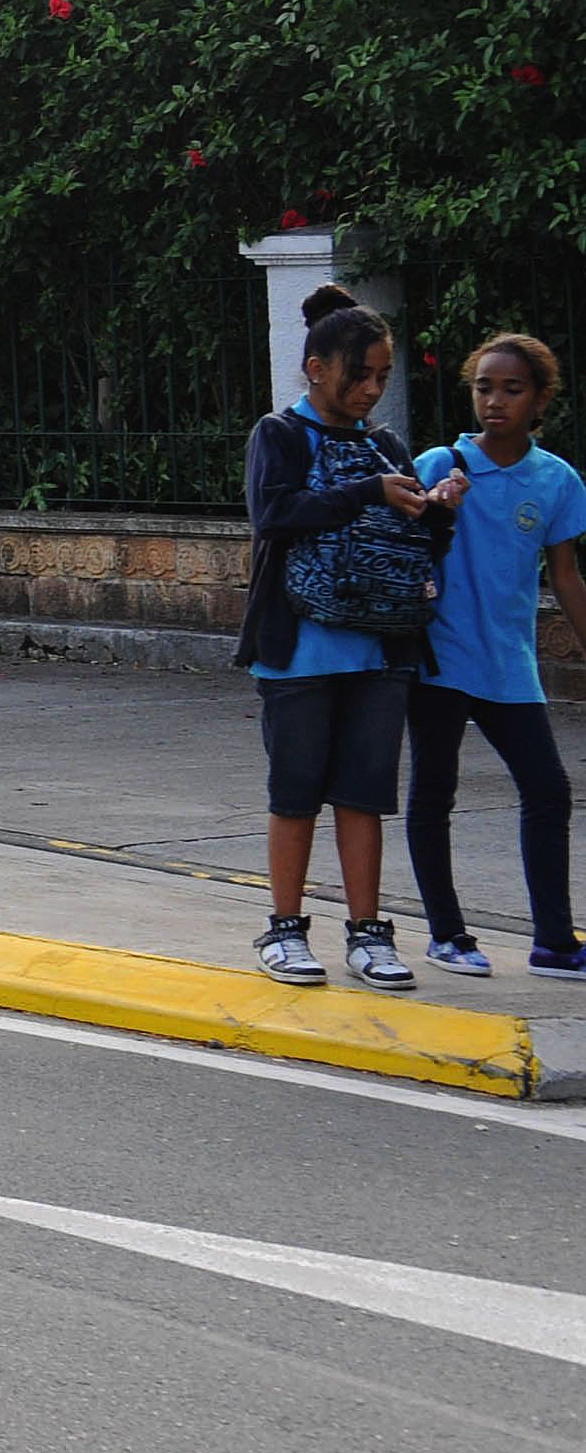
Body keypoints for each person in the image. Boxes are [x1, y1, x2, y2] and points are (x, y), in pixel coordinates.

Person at [239, 303, 449, 989]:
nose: (369, 390)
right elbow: (275, 514)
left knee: (365, 797)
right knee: (295, 794)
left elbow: (416, 543)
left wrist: (437, 510)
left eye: (382, 377)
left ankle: (369, 935)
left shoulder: (386, 447)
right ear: (316, 370)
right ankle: (285, 930)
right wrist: (368, 492)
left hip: (379, 651)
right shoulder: (279, 434)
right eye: (358, 376)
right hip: (298, 652)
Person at [405, 332, 586, 976]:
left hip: (510, 664)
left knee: (548, 791)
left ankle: (554, 943)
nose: (495, 402)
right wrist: (434, 508)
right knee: (434, 792)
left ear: (539, 400)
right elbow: (403, 547)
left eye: (512, 390)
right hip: (440, 659)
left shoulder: (557, 480)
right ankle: (447, 934)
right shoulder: (438, 465)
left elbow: (564, 575)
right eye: (484, 387)